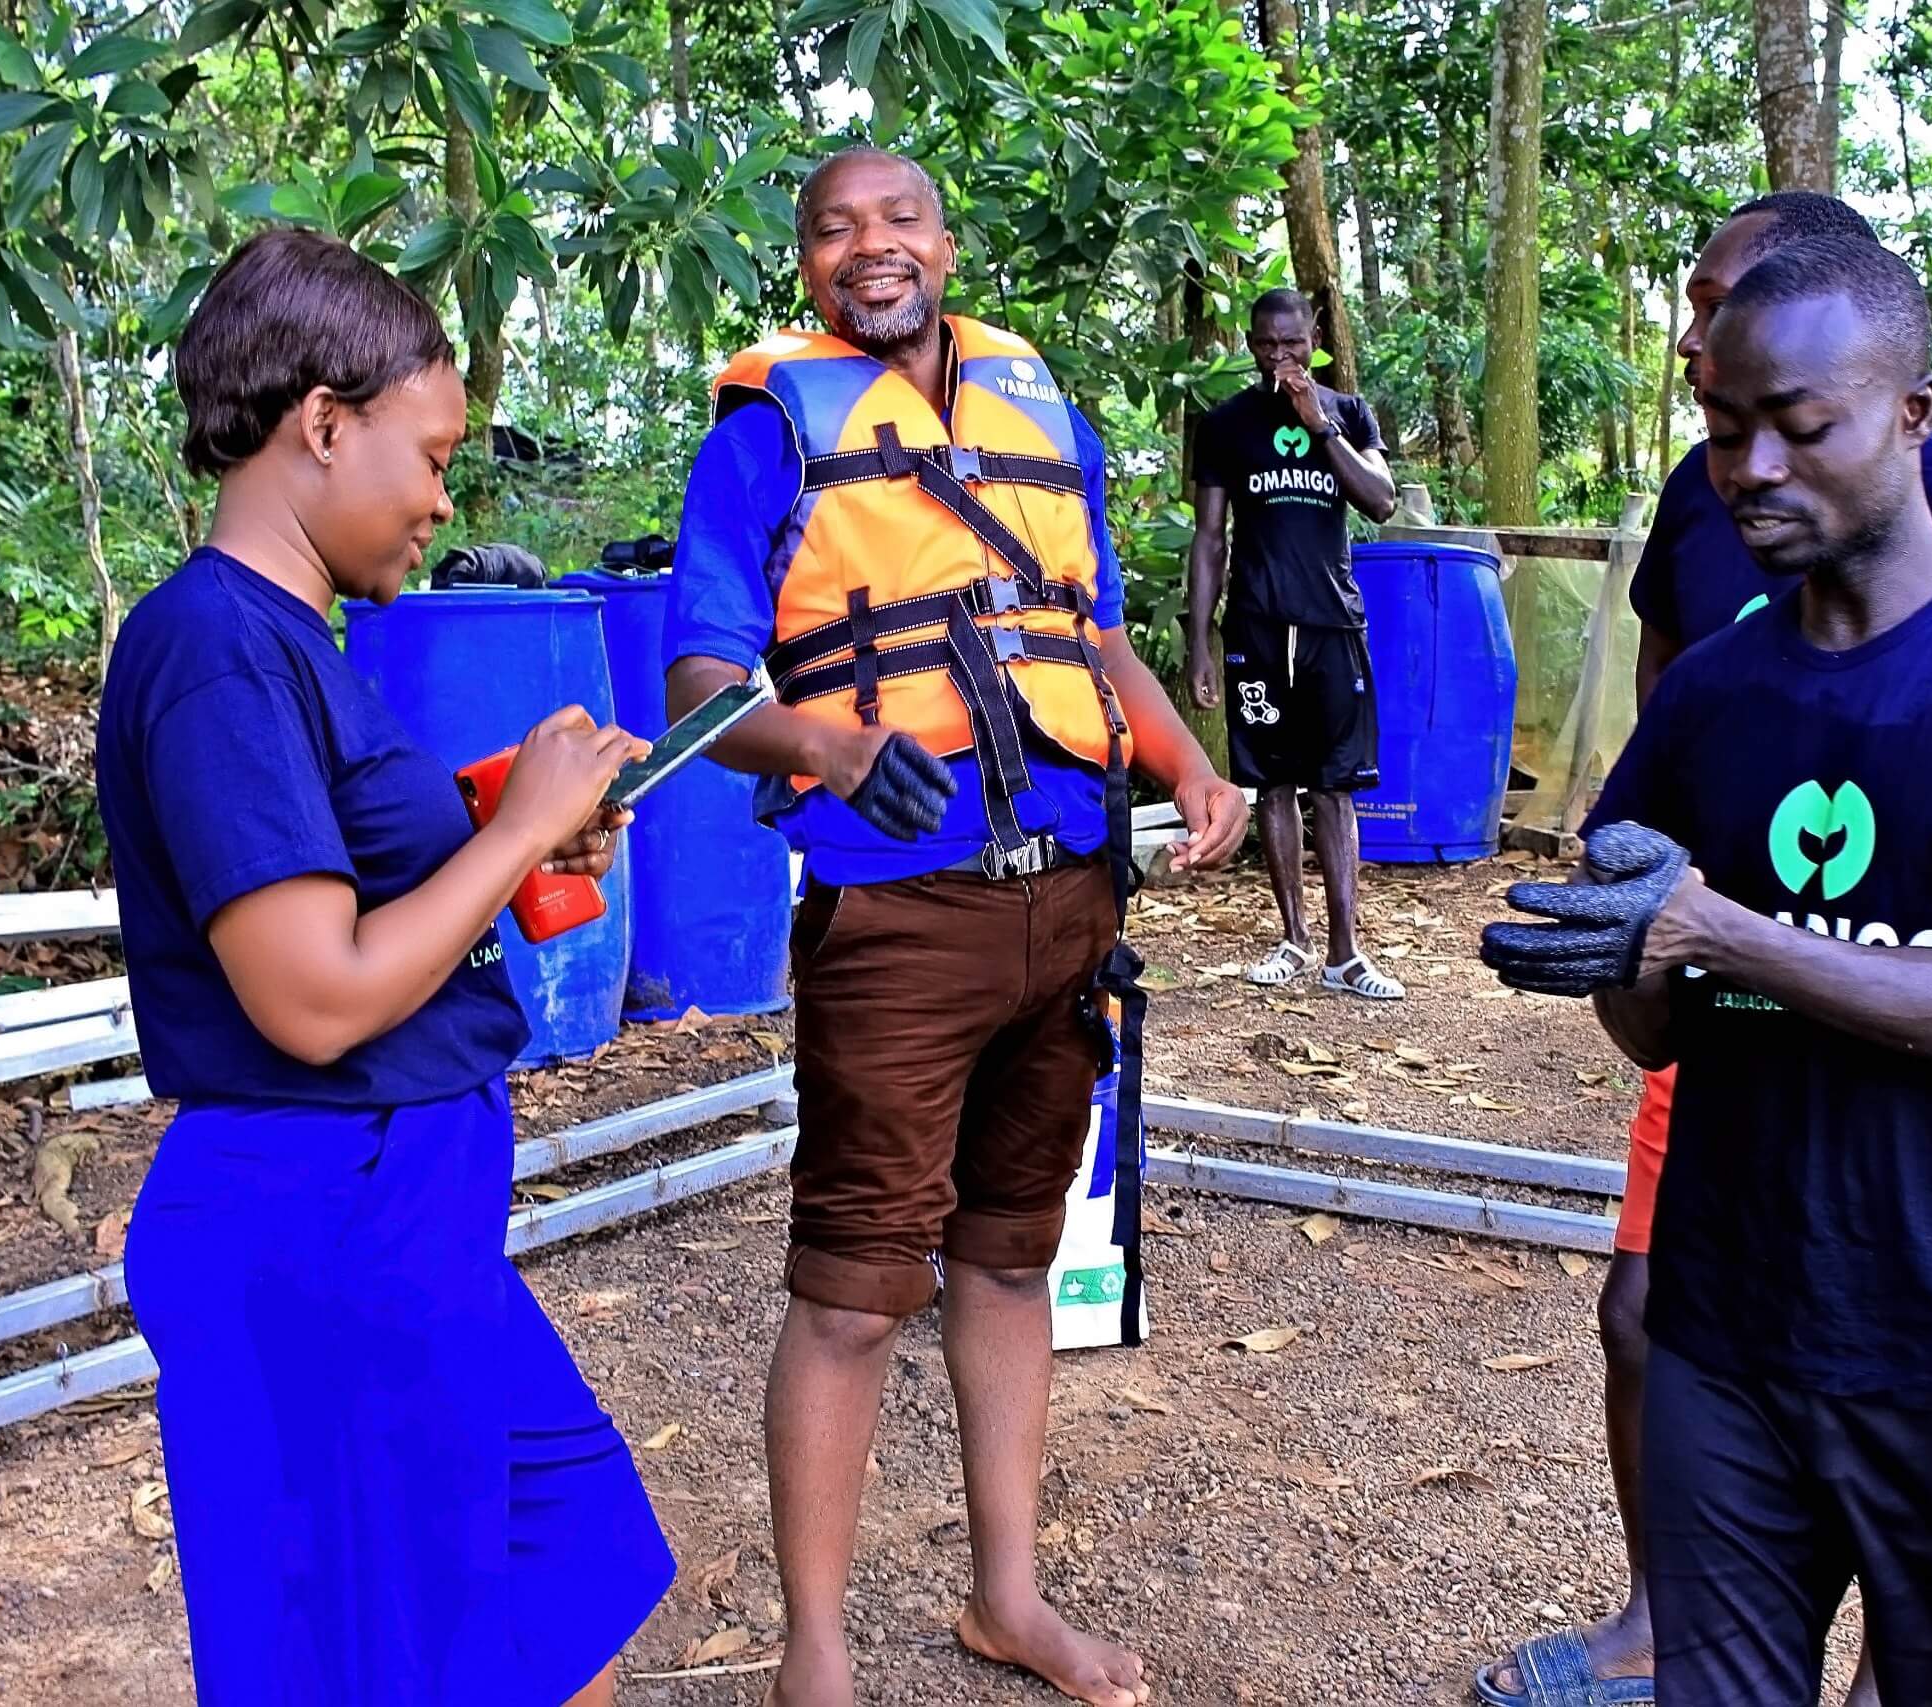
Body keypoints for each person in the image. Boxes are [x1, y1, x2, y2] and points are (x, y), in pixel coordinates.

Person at [1533, 237, 1932, 1703]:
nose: (1754, 464)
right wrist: (1617, 943)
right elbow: (1652, 1029)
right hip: (1725, 1313)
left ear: (1912, 411)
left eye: (1803, 424)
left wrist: (1715, 929)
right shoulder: (1711, 692)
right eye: (1724, 428)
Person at [661, 146, 1248, 1707]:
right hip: (898, 914)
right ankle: (819, 1658)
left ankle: (1007, 1596)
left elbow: (1095, 634)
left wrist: (1188, 760)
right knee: (856, 1284)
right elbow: (701, 692)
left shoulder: (1041, 409)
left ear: (948, 238)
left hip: (1069, 907)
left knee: (1009, 1253)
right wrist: (831, 745)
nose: (873, 245)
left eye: (901, 217)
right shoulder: (765, 435)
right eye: (837, 228)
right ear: (805, 264)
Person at [97, 229, 674, 1705]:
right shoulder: (214, 647)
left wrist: (497, 830)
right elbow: (313, 994)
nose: (439, 501)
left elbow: (345, 882)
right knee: (389, 1654)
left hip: (405, 1200)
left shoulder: (296, 639)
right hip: (320, 1205)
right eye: (428, 457)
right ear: (324, 422)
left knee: (561, 1563)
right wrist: (518, 831)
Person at [1185, 287, 1403, 999]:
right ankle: (1293, 938)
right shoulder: (1225, 425)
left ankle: (1346, 952)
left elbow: (1380, 499)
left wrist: (1321, 427)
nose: (1280, 358)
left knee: (1335, 784)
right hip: (1256, 624)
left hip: (1331, 624)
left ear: (1314, 337)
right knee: (1274, 782)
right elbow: (1210, 538)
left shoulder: (1349, 412)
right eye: (1266, 345)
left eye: (1292, 344)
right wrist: (1200, 642)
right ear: (1250, 343)